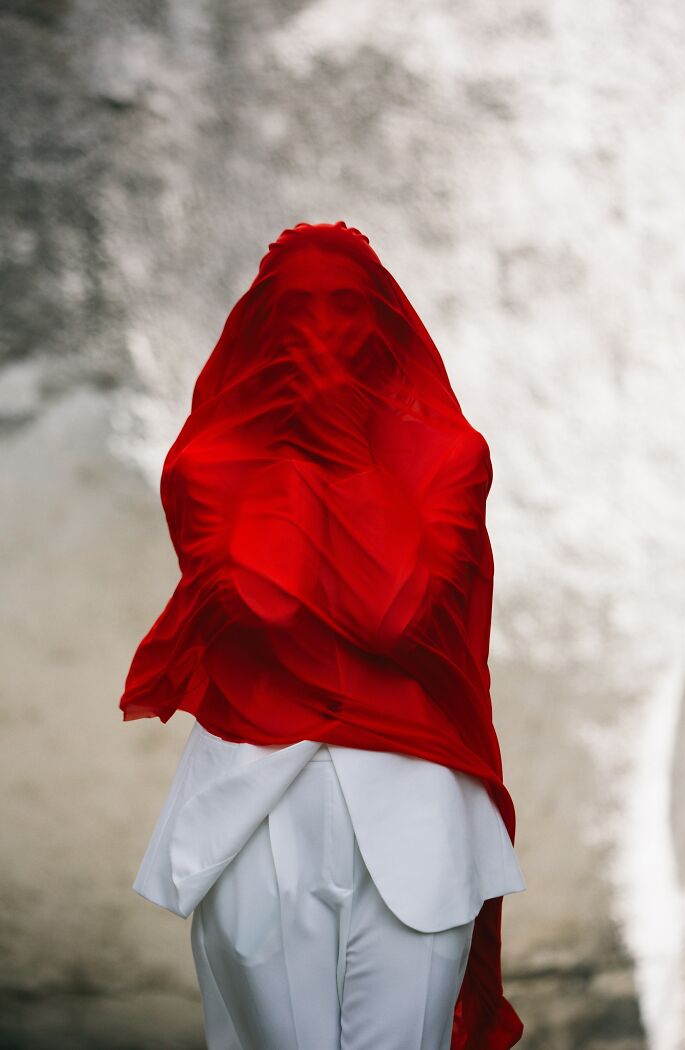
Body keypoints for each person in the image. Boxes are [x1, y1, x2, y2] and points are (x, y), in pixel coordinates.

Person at [120, 220, 527, 1049]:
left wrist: (343, 450)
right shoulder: (206, 466)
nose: (323, 331)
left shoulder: (452, 458)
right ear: (264, 324)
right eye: (297, 310)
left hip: (417, 808)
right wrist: (303, 459)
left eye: (346, 307)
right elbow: (258, 608)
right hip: (256, 807)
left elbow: (397, 614)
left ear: (379, 319)